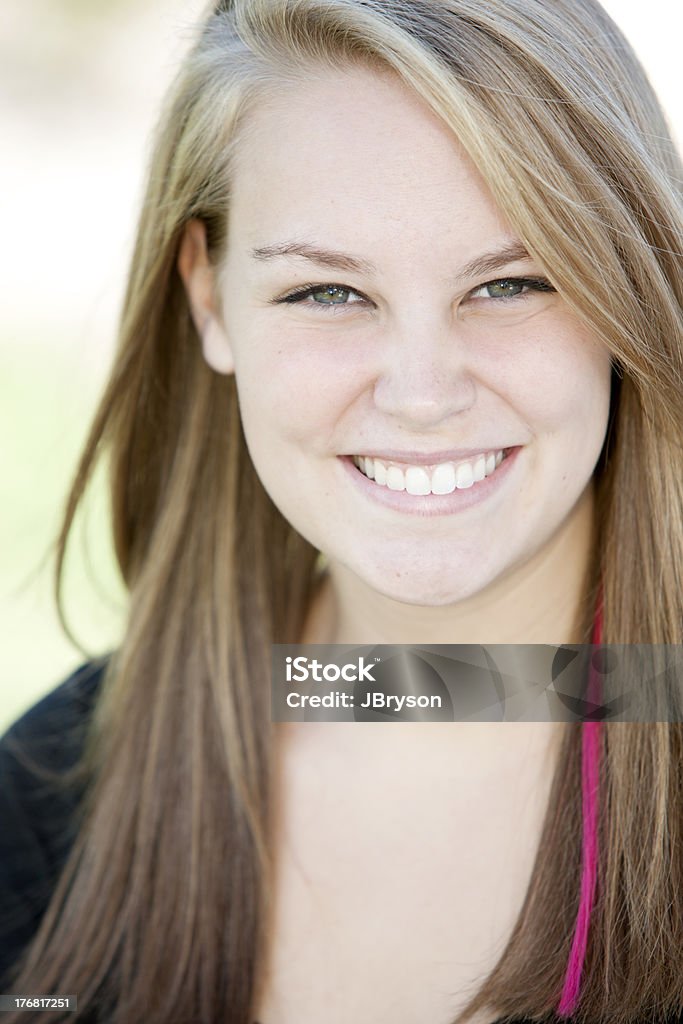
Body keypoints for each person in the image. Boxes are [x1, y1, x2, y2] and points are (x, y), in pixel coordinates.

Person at [1, 0, 682, 1022]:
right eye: (327, 293)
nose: (421, 392)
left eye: (511, 282)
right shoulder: (49, 795)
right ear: (209, 298)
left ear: (625, 284)